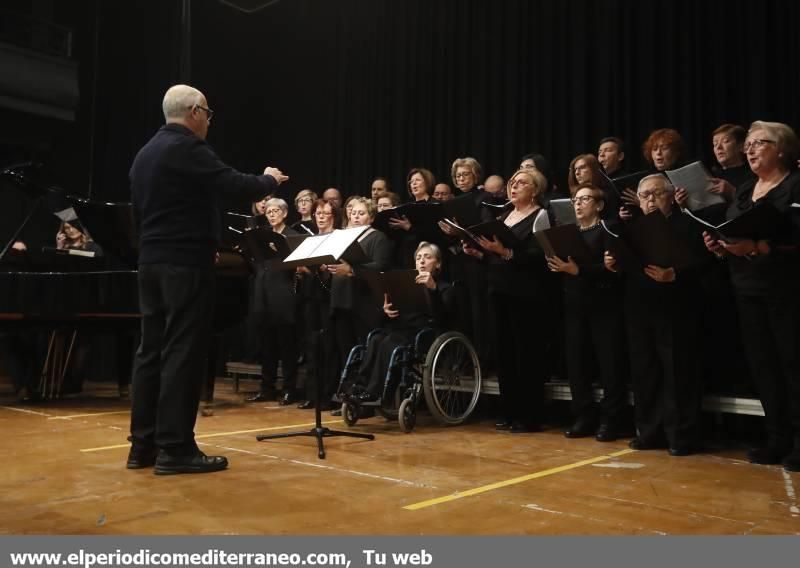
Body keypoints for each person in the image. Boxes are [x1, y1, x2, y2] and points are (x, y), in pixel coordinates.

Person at [127, 84, 287, 475]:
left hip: (151, 262)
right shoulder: (186, 147)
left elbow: (151, 212)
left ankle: (142, 446)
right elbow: (232, 184)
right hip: (183, 266)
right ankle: (176, 448)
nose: (209, 122)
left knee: (151, 352)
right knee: (183, 351)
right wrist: (268, 180)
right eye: (209, 114)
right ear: (196, 111)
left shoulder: (144, 154)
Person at [703, 121, 800, 472]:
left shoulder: (794, 186)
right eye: (749, 144)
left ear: (782, 149)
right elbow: (733, 230)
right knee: (763, 366)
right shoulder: (745, 191)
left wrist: (759, 246)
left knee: (792, 365)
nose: (751, 149)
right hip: (746, 289)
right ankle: (777, 439)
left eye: (761, 143)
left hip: (787, 291)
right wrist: (720, 246)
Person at [606, 174, 709, 456]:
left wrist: (674, 274)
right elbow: (626, 265)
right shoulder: (630, 228)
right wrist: (613, 264)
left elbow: (705, 263)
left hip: (677, 306)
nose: (650, 200)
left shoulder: (687, 223)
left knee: (678, 372)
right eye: (644, 196)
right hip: (639, 307)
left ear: (671, 195)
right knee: (644, 371)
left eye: (656, 194)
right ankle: (649, 431)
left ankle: (681, 435)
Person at [463, 168, 550, 433]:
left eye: (521, 183)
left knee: (526, 354)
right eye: (512, 182)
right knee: (505, 354)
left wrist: (506, 251)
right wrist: (480, 252)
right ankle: (509, 412)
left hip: (526, 294)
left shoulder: (541, 215)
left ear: (534, 190)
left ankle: (529, 415)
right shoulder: (504, 215)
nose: (514, 187)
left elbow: (540, 256)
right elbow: (496, 257)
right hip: (499, 291)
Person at [546, 184, 628, 441]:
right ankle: (583, 416)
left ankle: (612, 419)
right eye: (575, 200)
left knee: (609, 364)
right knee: (577, 363)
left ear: (599, 205)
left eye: (584, 199)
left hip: (604, 305)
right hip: (574, 305)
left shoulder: (609, 228)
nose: (578, 204)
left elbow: (613, 269)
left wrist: (578, 271)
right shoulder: (569, 233)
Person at [347, 242, 454, 403]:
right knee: (375, 339)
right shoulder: (405, 284)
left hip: (425, 333)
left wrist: (433, 290)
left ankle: (375, 391)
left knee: (389, 342)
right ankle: (360, 387)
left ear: (438, 263)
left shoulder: (445, 288)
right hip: (401, 329)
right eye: (418, 258)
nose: (422, 261)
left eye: (427, 257)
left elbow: (443, 319)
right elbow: (394, 315)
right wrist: (387, 311)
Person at [247, 198, 301, 405]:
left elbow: (297, 266)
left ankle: (289, 389)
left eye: (276, 210)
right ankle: (266, 388)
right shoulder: (261, 236)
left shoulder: (293, 236)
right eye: (268, 211)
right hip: (264, 295)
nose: (271, 214)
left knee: (287, 346)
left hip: (285, 295)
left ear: (285, 213)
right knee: (267, 346)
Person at [295, 198, 342, 410]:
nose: (320, 217)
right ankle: (312, 395)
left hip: (329, 298)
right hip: (311, 296)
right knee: (311, 346)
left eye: (325, 213)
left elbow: (336, 271)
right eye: (318, 213)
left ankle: (328, 395)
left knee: (328, 347)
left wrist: (321, 269)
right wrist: (303, 269)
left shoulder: (339, 238)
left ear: (334, 215)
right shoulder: (310, 240)